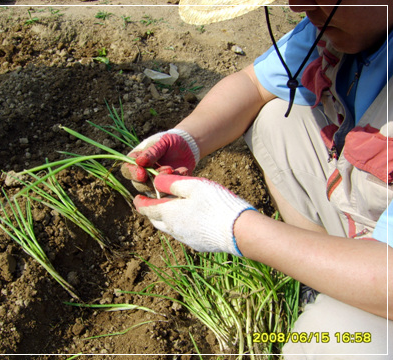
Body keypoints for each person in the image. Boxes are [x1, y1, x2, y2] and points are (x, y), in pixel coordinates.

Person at [121, 0, 392, 358]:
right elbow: (252, 83)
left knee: (324, 340)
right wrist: (188, 140)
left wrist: (236, 228)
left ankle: (341, 306)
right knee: (275, 119)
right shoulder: (346, 27)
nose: (300, 8)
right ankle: (328, 281)